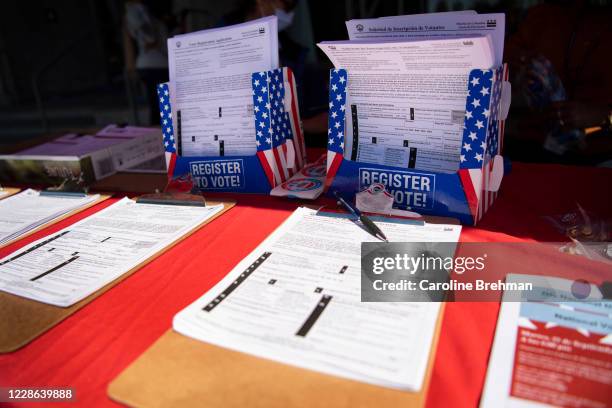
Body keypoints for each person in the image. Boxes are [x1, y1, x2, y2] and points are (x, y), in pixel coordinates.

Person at [504, 0, 612, 165]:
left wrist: (604, 117)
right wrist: (516, 68)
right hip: (536, 147)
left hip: (599, 154)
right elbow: (504, 62)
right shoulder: (540, 16)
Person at [123, 0, 172, 124]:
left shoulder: (151, 16)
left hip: (159, 64)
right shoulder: (137, 13)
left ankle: (162, 135)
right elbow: (148, 37)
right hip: (152, 65)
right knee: (159, 105)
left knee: (162, 104)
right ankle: (158, 136)